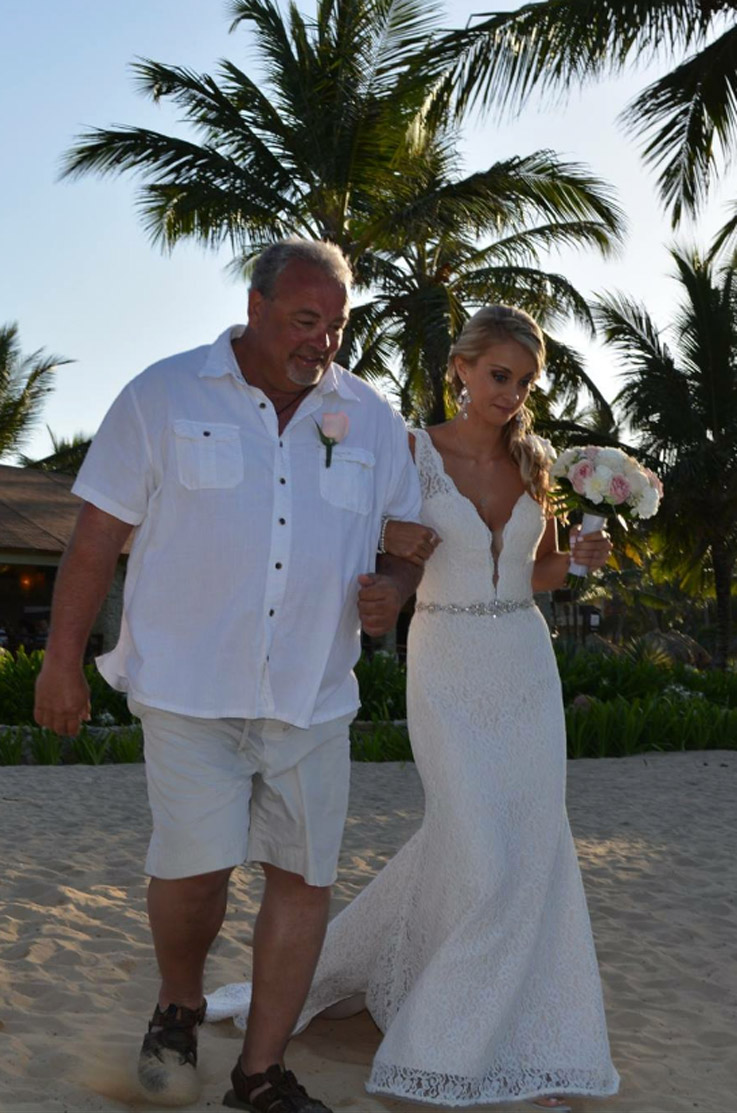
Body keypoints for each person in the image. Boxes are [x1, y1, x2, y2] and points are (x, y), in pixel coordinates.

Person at [33, 238, 424, 1113]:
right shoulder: (162, 394)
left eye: (335, 324)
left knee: (304, 877)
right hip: (187, 687)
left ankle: (259, 1072)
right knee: (195, 871)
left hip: (313, 692)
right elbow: (96, 537)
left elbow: (407, 534)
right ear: (253, 308)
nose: (320, 341)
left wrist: (393, 587)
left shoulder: (367, 414)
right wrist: (62, 662)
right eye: (302, 320)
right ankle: (177, 999)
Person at [207, 305, 620, 1111]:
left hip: (524, 668)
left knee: (524, 848)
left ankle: (501, 1033)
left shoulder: (534, 461)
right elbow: (363, 543)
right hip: (446, 664)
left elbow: (536, 575)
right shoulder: (409, 453)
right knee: (480, 847)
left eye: (525, 382)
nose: (510, 394)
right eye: (498, 374)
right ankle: (443, 1050)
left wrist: (576, 559)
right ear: (461, 368)